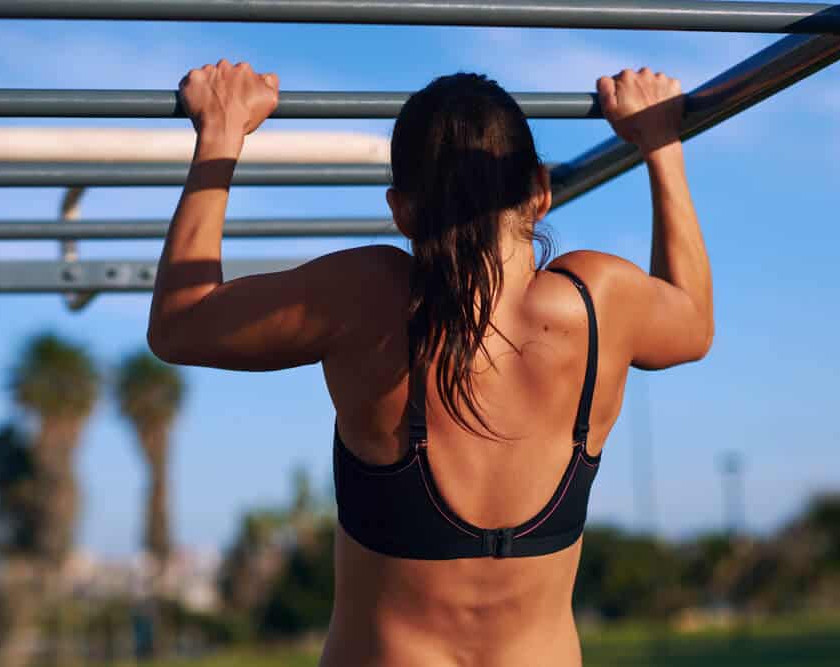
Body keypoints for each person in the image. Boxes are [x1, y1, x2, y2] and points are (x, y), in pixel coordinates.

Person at [148, 59, 713, 667]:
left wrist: (222, 132)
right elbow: (693, 323)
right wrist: (661, 144)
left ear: (401, 211)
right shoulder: (601, 302)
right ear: (541, 193)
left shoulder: (367, 297)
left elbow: (180, 324)